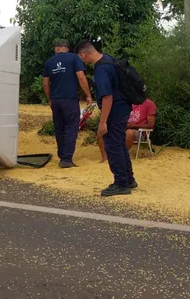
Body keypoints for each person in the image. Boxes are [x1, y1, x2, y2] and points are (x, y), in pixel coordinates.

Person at [75, 40, 136, 196]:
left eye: (82, 58)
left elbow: (107, 97)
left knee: (113, 146)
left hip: (114, 110)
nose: (83, 61)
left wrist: (103, 122)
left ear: (83, 54)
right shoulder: (110, 60)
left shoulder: (101, 69)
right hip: (123, 107)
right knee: (120, 144)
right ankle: (128, 179)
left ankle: (121, 183)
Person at [42, 39, 93, 168]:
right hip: (69, 99)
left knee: (59, 127)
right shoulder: (74, 59)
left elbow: (45, 83)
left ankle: (61, 154)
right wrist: (88, 95)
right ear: (67, 48)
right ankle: (66, 158)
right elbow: (81, 77)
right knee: (71, 127)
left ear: (57, 48)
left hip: (56, 100)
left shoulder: (49, 62)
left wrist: (49, 99)